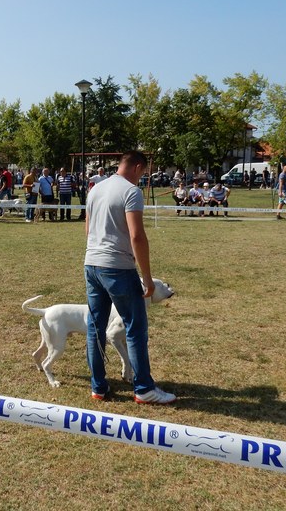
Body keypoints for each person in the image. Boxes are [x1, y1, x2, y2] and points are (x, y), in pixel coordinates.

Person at [85, 151, 176, 405]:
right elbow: (137, 236)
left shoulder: (95, 190)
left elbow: (88, 229)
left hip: (91, 263)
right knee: (135, 328)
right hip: (118, 267)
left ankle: (98, 387)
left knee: (95, 328)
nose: (142, 178)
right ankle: (144, 388)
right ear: (137, 167)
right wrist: (147, 278)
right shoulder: (131, 192)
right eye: (144, 173)